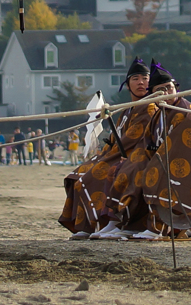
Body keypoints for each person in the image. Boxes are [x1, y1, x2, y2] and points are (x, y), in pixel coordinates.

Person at [122, 61, 191, 240]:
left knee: (157, 173)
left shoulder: (188, 113)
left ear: (176, 88)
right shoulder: (159, 114)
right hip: (169, 161)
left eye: (169, 88)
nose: (165, 93)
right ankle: (131, 223)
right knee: (136, 169)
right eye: (160, 90)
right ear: (152, 94)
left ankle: (159, 227)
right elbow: (148, 144)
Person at [59, 57, 152, 239]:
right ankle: (87, 225)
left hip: (134, 157)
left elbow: (131, 140)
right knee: (77, 174)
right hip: (117, 153)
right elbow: (115, 138)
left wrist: (109, 153)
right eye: (135, 79)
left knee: (93, 175)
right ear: (127, 85)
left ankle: (108, 222)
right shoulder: (127, 110)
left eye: (145, 78)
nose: (141, 82)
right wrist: (105, 149)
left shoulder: (150, 108)